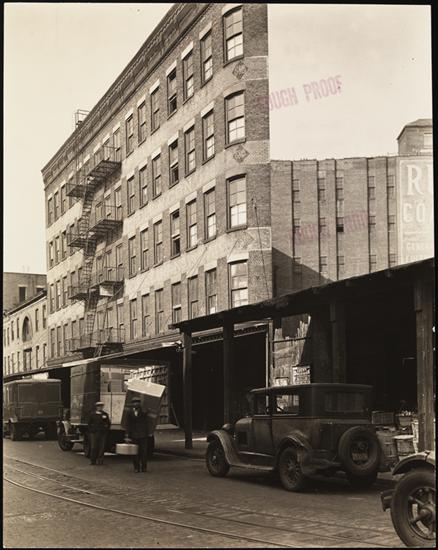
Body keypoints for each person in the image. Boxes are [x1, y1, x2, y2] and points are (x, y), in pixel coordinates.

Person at [125, 397, 150, 473]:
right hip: (134, 435)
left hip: (143, 434)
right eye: (135, 402)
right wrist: (127, 435)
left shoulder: (143, 411)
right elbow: (128, 424)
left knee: (144, 452)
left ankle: (144, 467)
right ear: (132, 404)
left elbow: (146, 414)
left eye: (138, 402)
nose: (136, 404)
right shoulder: (129, 412)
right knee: (135, 452)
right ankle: (136, 467)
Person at [88, 401, 111, 466]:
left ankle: (100, 461)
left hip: (102, 433)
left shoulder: (105, 414)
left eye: (101, 406)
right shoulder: (92, 414)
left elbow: (108, 423)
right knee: (93, 447)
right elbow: (89, 423)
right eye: (98, 406)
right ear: (96, 407)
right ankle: (93, 460)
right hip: (94, 433)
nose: (100, 407)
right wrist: (91, 430)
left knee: (102, 447)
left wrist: (106, 430)